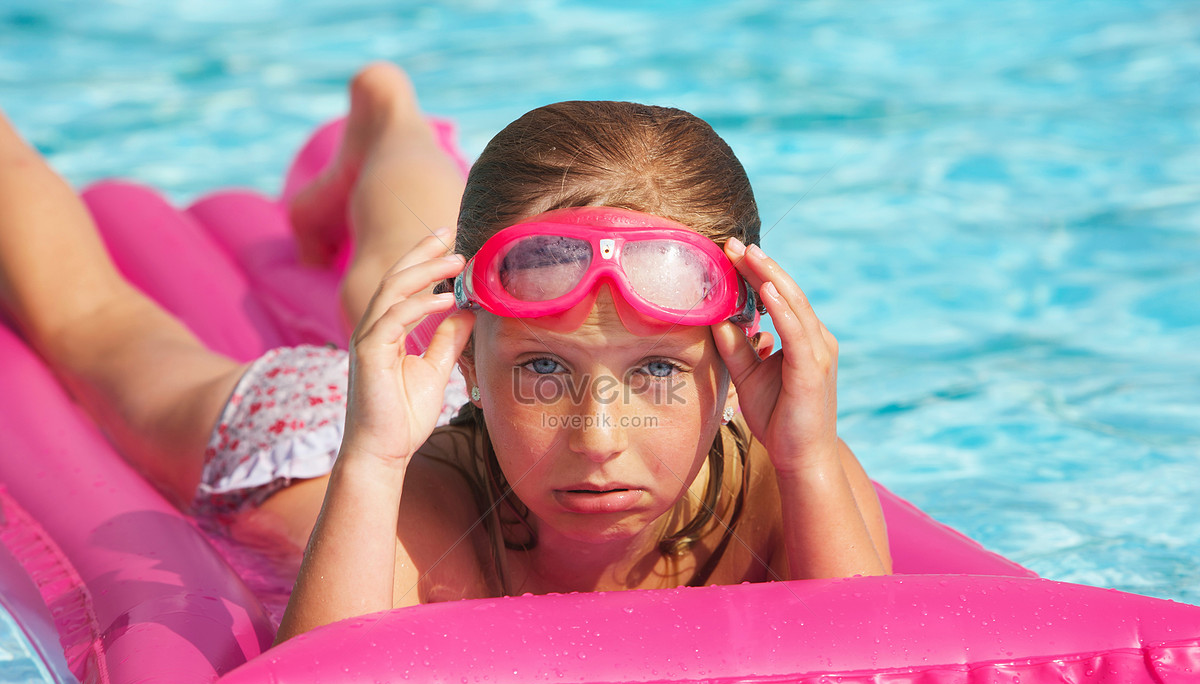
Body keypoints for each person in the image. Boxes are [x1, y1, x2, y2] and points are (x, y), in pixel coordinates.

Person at [0, 63, 890, 647]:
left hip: (446, 389)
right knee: (98, 329)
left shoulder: (792, 476)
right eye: (545, 370)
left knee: (411, 248)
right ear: (471, 365)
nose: (597, 439)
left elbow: (881, 682)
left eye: (656, 371)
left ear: (739, 360)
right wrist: (375, 452)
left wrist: (807, 453)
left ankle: (387, 117)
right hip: (314, 437)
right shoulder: (420, 515)